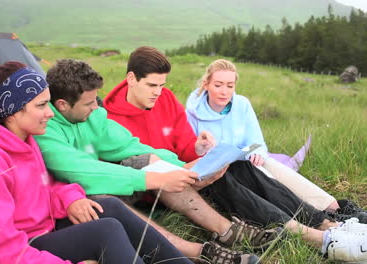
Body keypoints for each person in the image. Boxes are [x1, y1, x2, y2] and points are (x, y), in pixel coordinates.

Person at [103, 46, 367, 263]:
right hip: (161, 190)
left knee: (239, 165)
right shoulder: (108, 118)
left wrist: (198, 147)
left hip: (187, 168)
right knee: (223, 178)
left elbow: (183, 141)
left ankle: (324, 224)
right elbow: (134, 169)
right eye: (152, 86)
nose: (158, 93)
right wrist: (185, 167)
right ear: (130, 79)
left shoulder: (167, 98)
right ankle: (313, 236)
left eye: (162, 85)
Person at [0, 61, 195, 264]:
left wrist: (70, 197)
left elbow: (45, 187)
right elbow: (2, 249)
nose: (50, 113)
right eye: (41, 105)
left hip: (38, 233)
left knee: (107, 209)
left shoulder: (24, 140)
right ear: (15, 110)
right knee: (105, 232)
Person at [35, 59, 267, 264]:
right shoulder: (45, 130)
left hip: (105, 188)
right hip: (72, 204)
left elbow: (130, 145)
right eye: (89, 103)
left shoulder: (93, 116)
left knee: (149, 160)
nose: (97, 106)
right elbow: (84, 172)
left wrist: (181, 168)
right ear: (63, 104)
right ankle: (202, 253)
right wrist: (156, 179)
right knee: (103, 199)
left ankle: (227, 230)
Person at [185, 58, 367, 222]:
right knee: (270, 181)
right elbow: (189, 153)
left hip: (245, 159)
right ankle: (316, 219)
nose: (224, 92)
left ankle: (336, 208)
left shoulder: (242, 104)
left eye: (230, 86)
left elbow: (257, 141)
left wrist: (256, 153)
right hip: (219, 173)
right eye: (218, 85)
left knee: (276, 169)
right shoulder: (192, 113)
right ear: (206, 83)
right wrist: (201, 147)